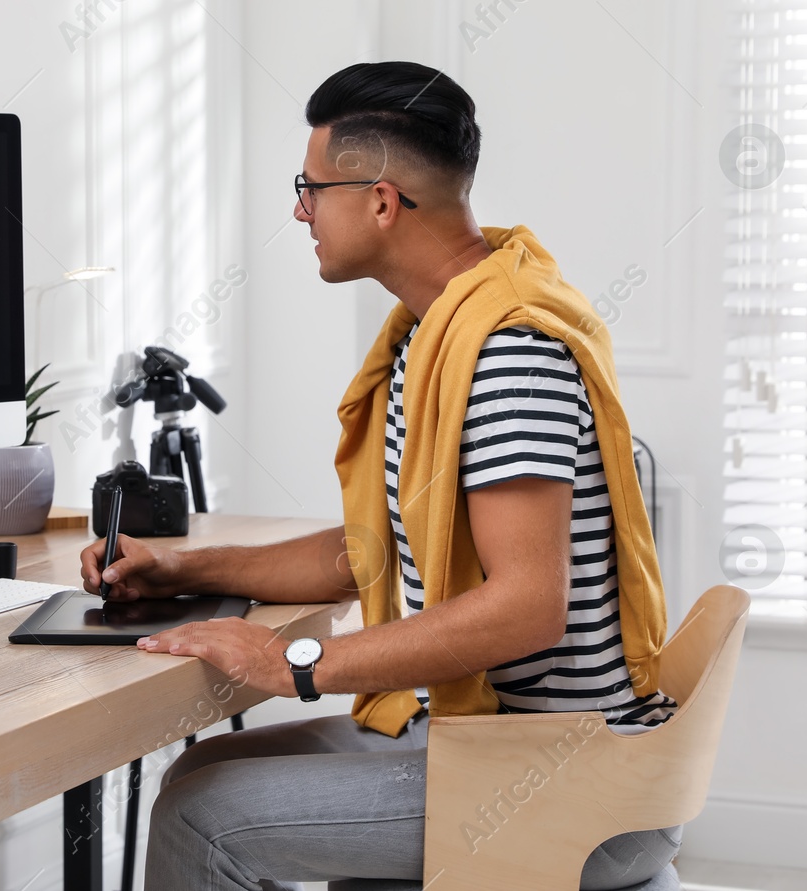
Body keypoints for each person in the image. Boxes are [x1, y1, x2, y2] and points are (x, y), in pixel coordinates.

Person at [80, 62, 683, 890]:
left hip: (565, 773)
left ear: (380, 199)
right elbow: (371, 546)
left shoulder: (506, 353)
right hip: (493, 737)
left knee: (200, 815)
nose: (300, 211)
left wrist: (295, 662)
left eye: (310, 187)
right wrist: (175, 568)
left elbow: (529, 605)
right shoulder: (433, 334)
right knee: (197, 775)